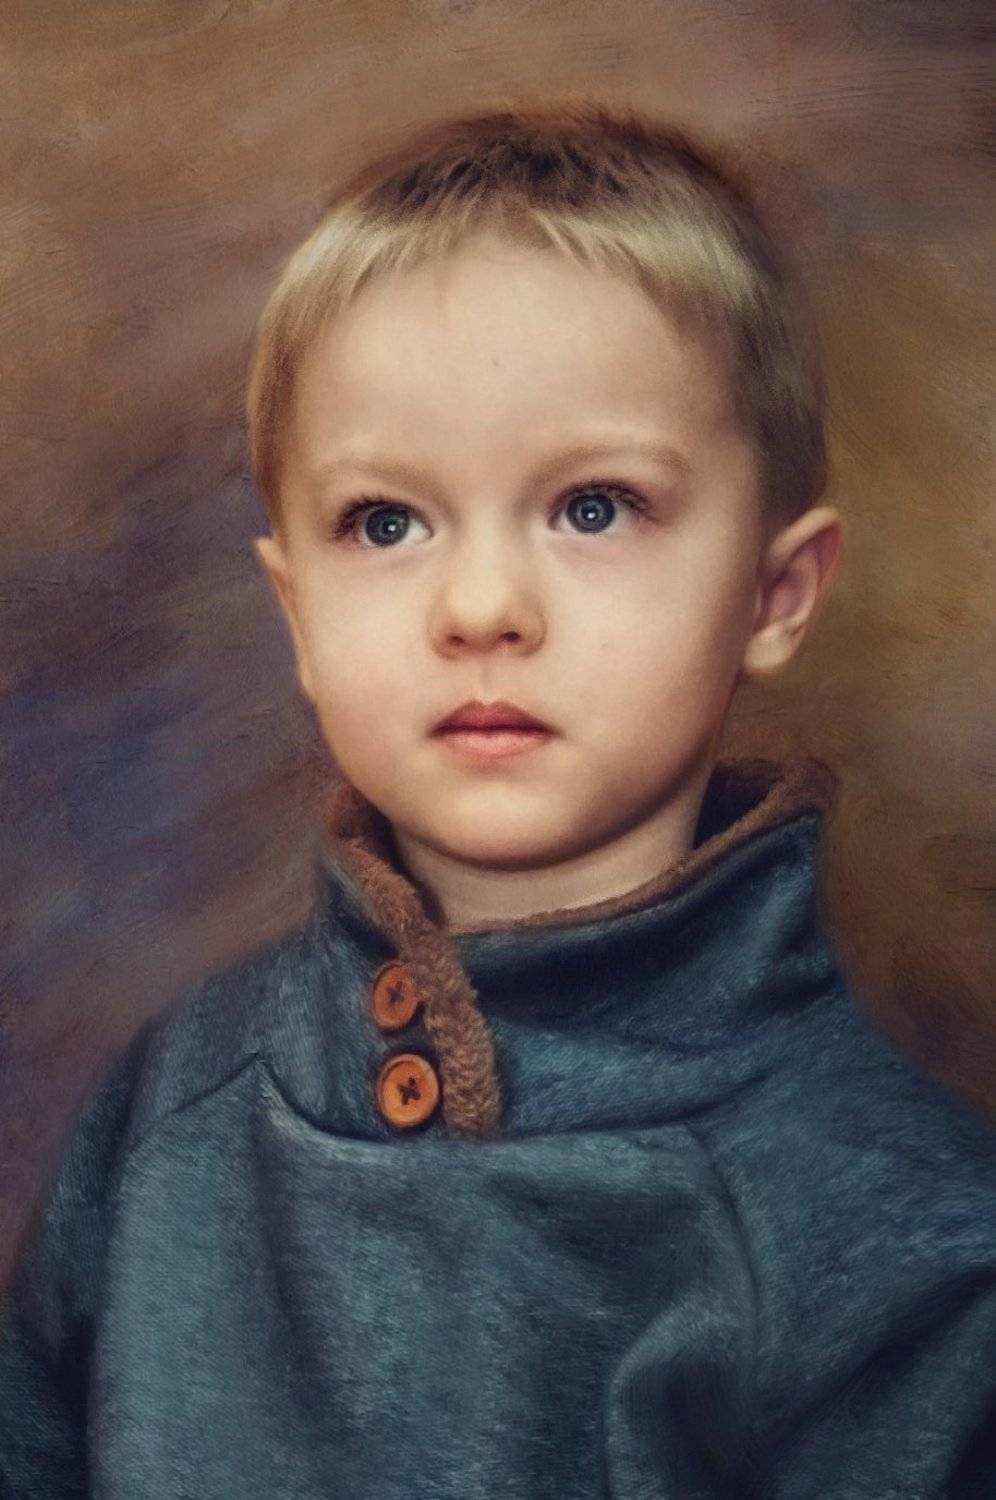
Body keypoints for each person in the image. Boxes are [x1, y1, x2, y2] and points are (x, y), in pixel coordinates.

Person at [1, 103, 993, 1500]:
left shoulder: (899, 1240)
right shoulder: (172, 1104)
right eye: (386, 522)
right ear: (296, 612)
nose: (478, 607)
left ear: (776, 594)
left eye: (594, 507)